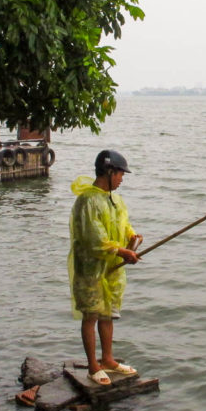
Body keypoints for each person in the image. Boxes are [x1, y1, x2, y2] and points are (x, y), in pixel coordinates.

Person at [68, 150, 142, 386]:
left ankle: (108, 360)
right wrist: (122, 252)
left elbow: (123, 224)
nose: (121, 179)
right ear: (109, 172)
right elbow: (94, 238)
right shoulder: (87, 200)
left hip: (112, 270)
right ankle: (93, 367)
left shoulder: (115, 200)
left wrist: (132, 239)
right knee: (91, 315)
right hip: (91, 268)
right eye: (120, 174)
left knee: (108, 314)